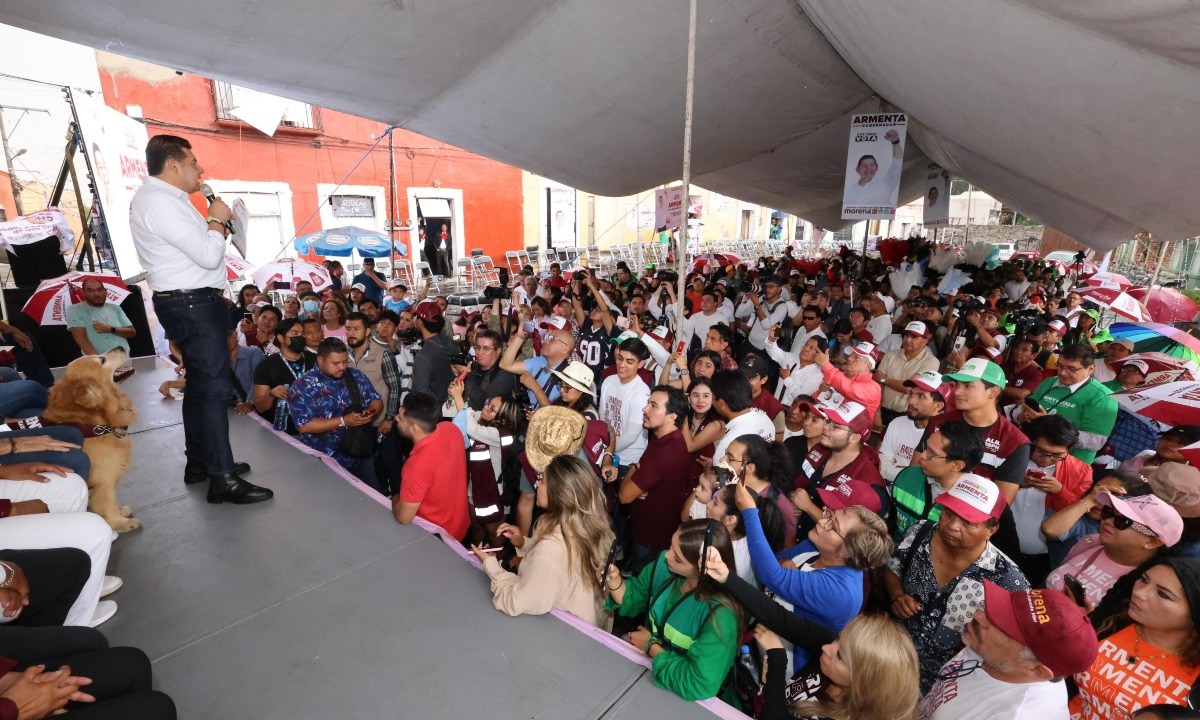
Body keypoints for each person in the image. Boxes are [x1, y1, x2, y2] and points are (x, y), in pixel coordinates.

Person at [129, 135, 271, 503]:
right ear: (173, 164)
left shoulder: (166, 201)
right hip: (191, 304)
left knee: (199, 388)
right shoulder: (160, 203)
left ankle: (201, 464)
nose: (200, 169)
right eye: (193, 162)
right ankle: (222, 479)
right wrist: (217, 220)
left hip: (190, 302)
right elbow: (208, 255)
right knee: (213, 390)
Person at [702, 549, 920, 720]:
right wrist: (726, 577)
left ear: (863, 683)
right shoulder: (831, 646)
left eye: (840, 656)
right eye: (838, 639)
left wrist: (777, 660)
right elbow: (777, 616)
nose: (826, 647)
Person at [884, 474, 1030, 693]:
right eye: (948, 513)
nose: (952, 526)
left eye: (967, 522)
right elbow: (891, 567)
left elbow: (1011, 650)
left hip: (943, 687)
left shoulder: (1008, 581)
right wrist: (896, 594)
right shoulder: (918, 533)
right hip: (887, 657)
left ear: (992, 529)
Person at [733, 479, 892, 673]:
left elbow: (771, 575)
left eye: (833, 526)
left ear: (848, 552)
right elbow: (774, 560)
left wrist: (750, 512)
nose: (822, 521)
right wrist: (783, 563)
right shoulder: (817, 545)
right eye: (829, 514)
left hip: (783, 670)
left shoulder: (842, 591)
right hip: (760, 642)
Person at [601, 519, 740, 702]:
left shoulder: (721, 616)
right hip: (646, 674)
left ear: (703, 569)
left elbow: (698, 684)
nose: (667, 556)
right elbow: (632, 598)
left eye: (678, 558)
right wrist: (612, 579)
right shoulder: (664, 568)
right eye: (671, 546)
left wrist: (651, 646)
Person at [918, 581, 1100, 720]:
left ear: (1035, 669)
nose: (978, 615)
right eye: (998, 610)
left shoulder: (1016, 715)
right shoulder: (995, 652)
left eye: (1003, 627)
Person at [468, 453, 613, 627]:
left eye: (542, 480)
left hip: (568, 635)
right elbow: (560, 567)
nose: (537, 484)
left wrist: (491, 565)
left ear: (558, 494)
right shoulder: (587, 526)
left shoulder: (552, 548)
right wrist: (523, 543)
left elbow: (517, 602)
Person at [1075, 558, 1200, 718]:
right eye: (1144, 580)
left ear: (1194, 617)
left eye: (1163, 594)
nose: (1139, 592)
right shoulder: (1112, 622)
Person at [1046, 491, 1181, 610]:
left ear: (1152, 542)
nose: (1108, 521)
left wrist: (1090, 619)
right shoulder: (1091, 541)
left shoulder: (1144, 584)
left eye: (1122, 521)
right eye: (1108, 512)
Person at [1009, 414, 1094, 584]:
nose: (1046, 459)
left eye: (1056, 455)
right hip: (998, 546)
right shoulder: (1011, 456)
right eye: (1040, 451)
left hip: (1042, 558)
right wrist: (1012, 482)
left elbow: (1079, 518)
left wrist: (1060, 492)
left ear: (1069, 450)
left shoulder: (1082, 472)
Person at [287, 338, 383, 485]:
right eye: (336, 363)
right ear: (320, 360)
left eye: (345, 362)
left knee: (373, 500)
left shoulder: (355, 376)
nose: (342, 367)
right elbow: (304, 425)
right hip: (326, 459)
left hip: (360, 452)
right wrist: (344, 421)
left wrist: (369, 413)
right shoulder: (302, 386)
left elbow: (376, 400)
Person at [618, 387, 693, 574]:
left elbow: (624, 496)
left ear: (671, 417)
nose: (645, 409)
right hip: (650, 532)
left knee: (641, 590)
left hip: (650, 539)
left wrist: (634, 468)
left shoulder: (665, 452)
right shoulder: (667, 439)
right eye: (647, 403)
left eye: (653, 406)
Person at [1020, 343, 1117, 464]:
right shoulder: (1050, 381)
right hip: (1031, 453)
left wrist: (1049, 425)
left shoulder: (1103, 397)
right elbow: (1025, 408)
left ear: (1090, 369)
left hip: (1067, 464)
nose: (1062, 373)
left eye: (1072, 369)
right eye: (1059, 366)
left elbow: (1095, 441)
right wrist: (1022, 416)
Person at [392, 391, 470, 541]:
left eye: (401, 418)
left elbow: (404, 517)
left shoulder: (416, 466)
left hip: (436, 539)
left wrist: (395, 499)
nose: (396, 419)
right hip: (460, 525)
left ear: (415, 428)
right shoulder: (451, 429)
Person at [892, 420, 986, 541]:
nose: (922, 455)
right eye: (925, 448)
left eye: (931, 453)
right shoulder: (908, 476)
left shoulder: (978, 503)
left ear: (957, 465)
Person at [344, 312, 402, 492]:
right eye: (348, 329)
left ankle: (400, 496)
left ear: (368, 330)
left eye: (356, 329)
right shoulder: (342, 356)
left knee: (390, 461)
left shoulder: (382, 354)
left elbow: (394, 388)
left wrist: (389, 418)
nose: (351, 333)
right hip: (355, 425)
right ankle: (380, 496)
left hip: (380, 423)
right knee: (370, 466)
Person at [597, 338, 653, 480]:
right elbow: (602, 418)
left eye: (629, 361)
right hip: (605, 453)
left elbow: (630, 436)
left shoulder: (642, 393)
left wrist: (605, 452)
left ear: (640, 364)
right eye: (620, 358)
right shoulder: (609, 381)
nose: (622, 365)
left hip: (627, 461)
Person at [879, 371, 947, 483]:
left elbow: (926, 480)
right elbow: (883, 465)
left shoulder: (944, 437)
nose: (911, 401)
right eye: (911, 394)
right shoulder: (897, 423)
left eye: (921, 396)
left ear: (938, 406)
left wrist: (893, 471)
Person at [498, 315, 576, 410]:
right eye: (547, 334)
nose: (545, 341)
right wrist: (519, 338)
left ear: (565, 349)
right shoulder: (540, 361)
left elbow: (555, 415)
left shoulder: (571, 375)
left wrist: (535, 387)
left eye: (552, 338)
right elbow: (505, 365)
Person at [252, 319, 316, 434]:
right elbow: (260, 406)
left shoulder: (316, 360)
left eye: (302, 333)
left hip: (315, 427)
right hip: (283, 433)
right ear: (281, 338)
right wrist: (272, 393)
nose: (301, 337)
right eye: (295, 334)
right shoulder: (266, 366)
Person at [875, 321, 941, 427]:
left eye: (914, 337)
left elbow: (909, 388)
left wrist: (884, 379)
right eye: (906, 335)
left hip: (906, 415)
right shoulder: (891, 354)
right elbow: (877, 384)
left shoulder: (931, 361)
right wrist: (877, 413)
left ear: (925, 341)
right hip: (881, 409)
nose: (908, 340)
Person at [65, 278, 136, 377]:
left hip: (124, 359)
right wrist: (99, 361)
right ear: (83, 292)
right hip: (98, 364)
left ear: (105, 291)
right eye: (90, 291)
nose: (96, 294)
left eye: (99, 290)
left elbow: (132, 332)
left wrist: (110, 329)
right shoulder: (75, 310)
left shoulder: (115, 308)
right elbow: (79, 337)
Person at [709, 370, 775, 461]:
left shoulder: (728, 444)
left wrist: (711, 470)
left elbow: (721, 472)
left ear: (721, 403)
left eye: (711, 397)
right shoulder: (765, 418)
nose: (711, 401)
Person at [812, 341, 882, 419]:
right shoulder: (842, 376)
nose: (849, 358)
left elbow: (848, 388)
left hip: (850, 430)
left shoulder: (874, 388)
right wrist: (822, 390)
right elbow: (817, 400)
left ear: (868, 365)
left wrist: (825, 364)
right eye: (851, 355)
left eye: (856, 357)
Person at [409, 300, 455, 406]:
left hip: (432, 411)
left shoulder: (424, 355)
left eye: (416, 317)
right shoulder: (451, 343)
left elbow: (421, 392)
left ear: (420, 322)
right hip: (450, 406)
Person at [843, 129, 903, 208]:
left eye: (871, 165)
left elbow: (897, 163)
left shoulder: (886, 184)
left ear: (877, 167)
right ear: (857, 169)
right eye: (864, 166)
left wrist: (895, 142)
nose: (868, 168)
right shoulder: (848, 192)